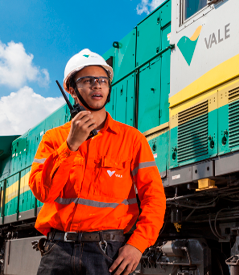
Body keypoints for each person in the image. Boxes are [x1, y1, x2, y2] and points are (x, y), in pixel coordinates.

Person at [29, 49, 166, 275]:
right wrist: (70, 146)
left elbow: (154, 198)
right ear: (71, 89)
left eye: (102, 80)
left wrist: (137, 245)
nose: (97, 85)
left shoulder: (132, 140)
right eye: (88, 80)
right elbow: (44, 193)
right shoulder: (53, 139)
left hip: (107, 254)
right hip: (57, 252)